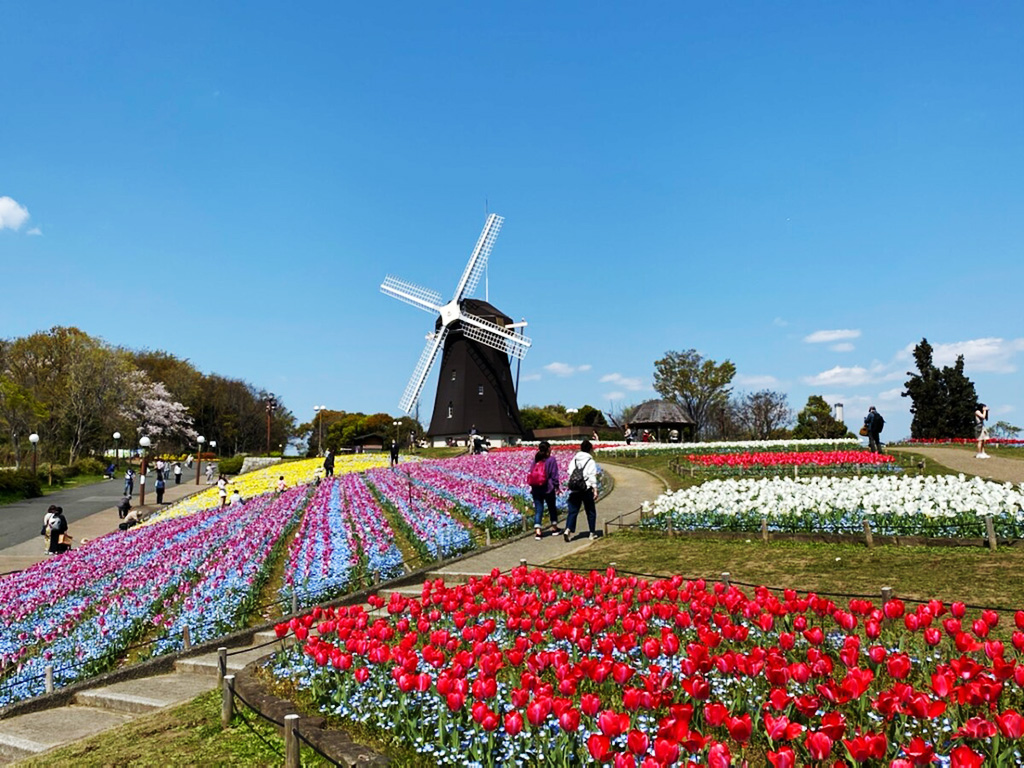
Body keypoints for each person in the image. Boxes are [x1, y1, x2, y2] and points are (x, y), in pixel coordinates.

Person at [563, 439, 599, 542]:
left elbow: (570, 471)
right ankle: (592, 533)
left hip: (575, 488)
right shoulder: (590, 461)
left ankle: (568, 529)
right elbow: (592, 475)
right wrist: (595, 489)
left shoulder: (575, 459)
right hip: (586, 488)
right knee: (590, 511)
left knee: (573, 510)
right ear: (590, 449)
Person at [528, 441, 561, 539]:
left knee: (539, 509)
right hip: (548, 488)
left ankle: (538, 531)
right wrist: (557, 487)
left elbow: (531, 473)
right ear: (548, 449)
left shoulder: (536, 460)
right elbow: (554, 475)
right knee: (552, 507)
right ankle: (554, 528)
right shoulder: (551, 460)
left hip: (536, 489)